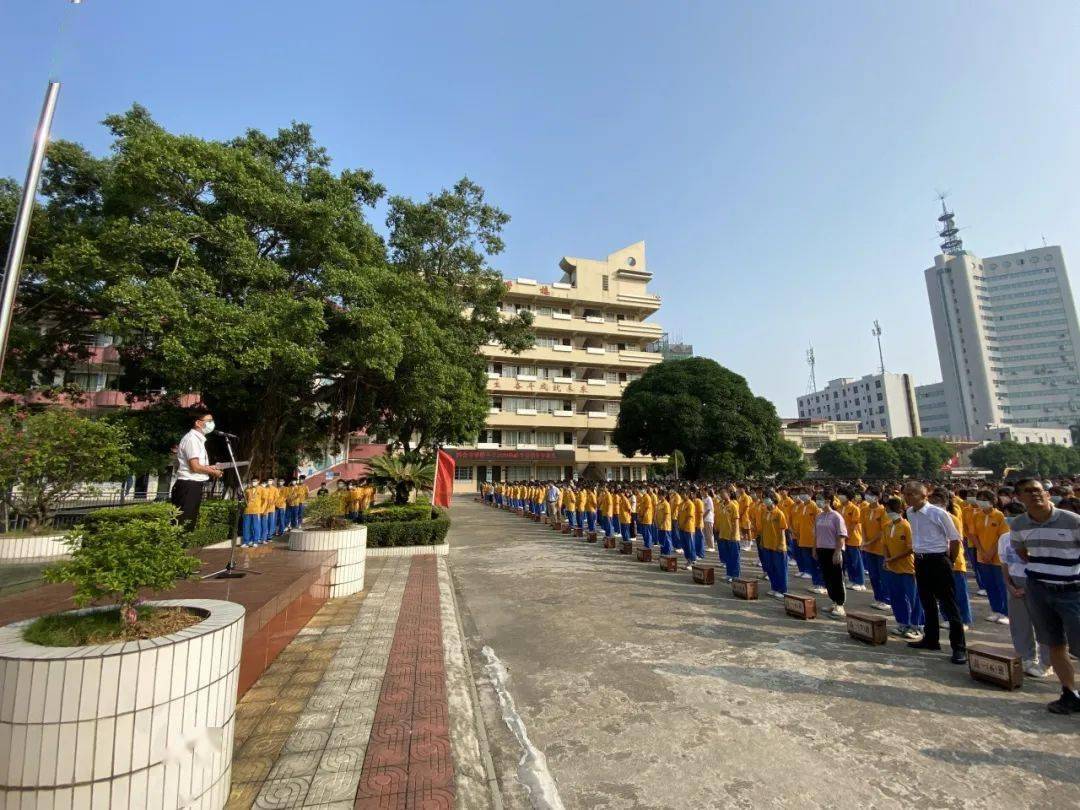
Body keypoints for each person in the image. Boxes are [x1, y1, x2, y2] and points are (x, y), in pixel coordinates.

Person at [1010, 477, 1080, 714]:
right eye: (1028, 491)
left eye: (1039, 490)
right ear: (1019, 498)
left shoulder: (1072, 521)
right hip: (1039, 589)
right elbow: (1022, 553)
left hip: (1072, 590)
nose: (1035, 494)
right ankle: (1069, 692)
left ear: (1048, 494)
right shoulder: (1019, 525)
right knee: (1054, 644)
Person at [904, 481, 967, 665]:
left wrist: (950, 560)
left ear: (924, 495)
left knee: (949, 605)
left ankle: (959, 647)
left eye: (912, 494)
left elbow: (955, 539)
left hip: (939, 559)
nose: (908, 497)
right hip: (921, 560)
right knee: (927, 601)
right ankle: (931, 640)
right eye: (906, 494)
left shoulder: (938, 513)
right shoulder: (910, 512)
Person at [999, 501, 1051, 678]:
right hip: (1015, 583)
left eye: (1012, 515)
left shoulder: (1036, 536)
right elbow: (1005, 563)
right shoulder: (1005, 538)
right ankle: (1026, 657)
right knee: (1020, 624)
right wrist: (1010, 586)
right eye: (1006, 514)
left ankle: (1047, 662)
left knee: (1043, 624)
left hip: (1036, 582)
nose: (1008, 519)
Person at [171, 411, 223, 532]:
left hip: (194, 485)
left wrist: (210, 468)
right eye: (209, 421)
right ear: (198, 423)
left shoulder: (199, 440)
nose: (212, 424)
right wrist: (212, 472)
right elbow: (195, 467)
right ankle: (178, 549)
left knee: (189, 522)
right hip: (188, 485)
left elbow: (199, 465)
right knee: (183, 523)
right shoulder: (192, 439)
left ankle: (183, 548)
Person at [882, 496, 923, 639]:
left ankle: (917, 626)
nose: (887, 511)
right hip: (893, 568)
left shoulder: (907, 526)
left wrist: (893, 558)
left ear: (899, 510)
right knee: (896, 597)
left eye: (889, 509)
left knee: (913, 598)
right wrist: (887, 559)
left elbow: (910, 548)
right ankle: (902, 623)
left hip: (908, 568)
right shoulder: (887, 526)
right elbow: (885, 544)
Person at [974, 489, 1010, 623]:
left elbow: (1002, 536)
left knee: (1001, 585)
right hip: (982, 556)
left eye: (984, 499)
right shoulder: (977, 515)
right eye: (980, 498)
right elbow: (973, 535)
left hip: (997, 557)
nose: (981, 502)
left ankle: (1006, 613)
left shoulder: (1000, 515)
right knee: (990, 585)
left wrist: (990, 552)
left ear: (992, 500)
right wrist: (982, 551)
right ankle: (996, 610)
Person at [813, 489, 847, 617]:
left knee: (837, 577)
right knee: (827, 577)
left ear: (828, 501)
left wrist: (838, 551)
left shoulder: (836, 516)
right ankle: (833, 601)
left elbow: (841, 535)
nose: (818, 501)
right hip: (821, 549)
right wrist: (814, 549)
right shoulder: (819, 516)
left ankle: (840, 604)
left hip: (833, 550)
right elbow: (816, 535)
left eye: (820, 499)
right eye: (817, 499)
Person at [760, 491, 789, 600]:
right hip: (767, 545)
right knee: (770, 568)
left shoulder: (779, 513)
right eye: (764, 498)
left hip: (778, 546)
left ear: (773, 499)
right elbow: (763, 529)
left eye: (767, 498)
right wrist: (762, 542)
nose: (765, 500)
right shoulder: (764, 512)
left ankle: (782, 590)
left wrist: (781, 545)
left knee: (780, 569)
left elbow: (782, 531)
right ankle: (774, 587)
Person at [839, 488, 866, 591]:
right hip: (843, 539)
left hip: (853, 538)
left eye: (842, 494)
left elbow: (854, 524)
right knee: (848, 561)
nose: (840, 496)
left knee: (856, 561)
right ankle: (852, 580)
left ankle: (860, 582)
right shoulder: (840, 507)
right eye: (839, 494)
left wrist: (846, 535)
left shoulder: (854, 508)